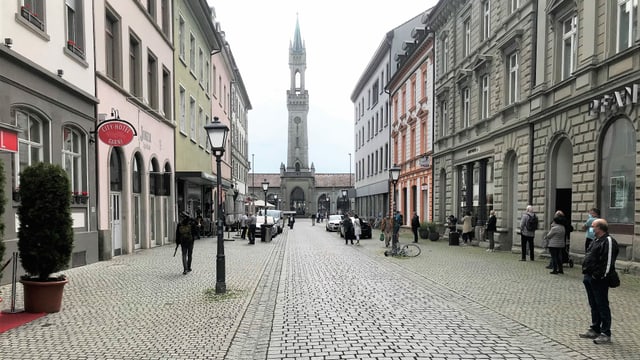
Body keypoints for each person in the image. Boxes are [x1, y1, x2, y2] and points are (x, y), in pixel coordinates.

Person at [579, 218, 619, 344]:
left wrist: (598, 276)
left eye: (593, 226)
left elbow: (608, 262)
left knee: (602, 305)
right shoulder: (595, 240)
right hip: (589, 277)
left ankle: (605, 332)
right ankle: (595, 328)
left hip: (599, 279)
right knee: (593, 304)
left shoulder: (608, 241)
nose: (591, 228)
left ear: (600, 228)